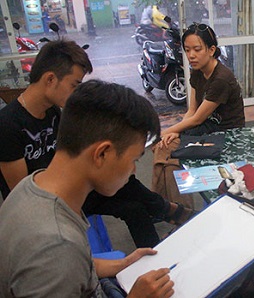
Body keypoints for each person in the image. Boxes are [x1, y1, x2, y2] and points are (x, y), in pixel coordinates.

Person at [0, 39, 191, 249]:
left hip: (71, 184)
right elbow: (23, 192)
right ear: (50, 79)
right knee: (128, 197)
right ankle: (170, 213)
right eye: (74, 85)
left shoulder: (53, 112)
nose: (75, 92)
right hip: (54, 199)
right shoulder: (8, 125)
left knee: (127, 182)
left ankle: (159, 240)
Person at [0, 79, 174, 297]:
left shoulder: (32, 185)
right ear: (102, 153)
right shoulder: (55, 246)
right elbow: (61, 262)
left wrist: (122, 264)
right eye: (134, 160)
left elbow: (77, 267)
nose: (133, 170)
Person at [159, 22, 245, 146]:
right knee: (167, 143)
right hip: (206, 127)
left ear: (211, 50)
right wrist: (178, 131)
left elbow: (197, 119)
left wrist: (164, 133)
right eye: (187, 50)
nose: (191, 55)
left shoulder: (221, 79)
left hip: (228, 135)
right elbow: (192, 111)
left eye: (197, 49)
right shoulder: (197, 71)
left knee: (167, 145)